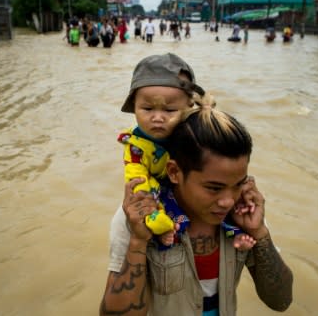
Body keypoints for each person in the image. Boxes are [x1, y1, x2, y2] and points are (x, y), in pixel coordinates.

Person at [100, 57, 293, 316]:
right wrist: (138, 242)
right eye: (213, 188)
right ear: (174, 172)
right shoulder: (138, 217)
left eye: (237, 185)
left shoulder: (240, 214)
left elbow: (280, 302)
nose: (226, 200)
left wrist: (259, 233)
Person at [117, 53, 255, 248]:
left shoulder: (236, 204)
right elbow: (137, 180)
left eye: (170, 111)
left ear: (188, 107)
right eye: (147, 109)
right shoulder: (136, 149)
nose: (158, 118)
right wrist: (146, 225)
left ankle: (235, 233)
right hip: (155, 192)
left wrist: (242, 189)